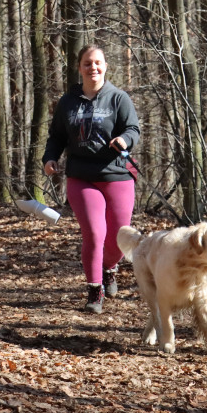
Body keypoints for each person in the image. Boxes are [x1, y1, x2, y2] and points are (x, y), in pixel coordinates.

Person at [42, 46, 140, 314]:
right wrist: (50, 158)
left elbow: (133, 128)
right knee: (95, 233)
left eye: (97, 63)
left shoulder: (118, 98)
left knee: (120, 237)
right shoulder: (68, 102)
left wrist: (124, 139)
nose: (92, 68)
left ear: (105, 66)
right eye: (87, 63)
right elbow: (57, 136)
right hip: (81, 176)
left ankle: (110, 268)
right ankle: (94, 289)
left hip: (117, 173)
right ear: (79, 67)